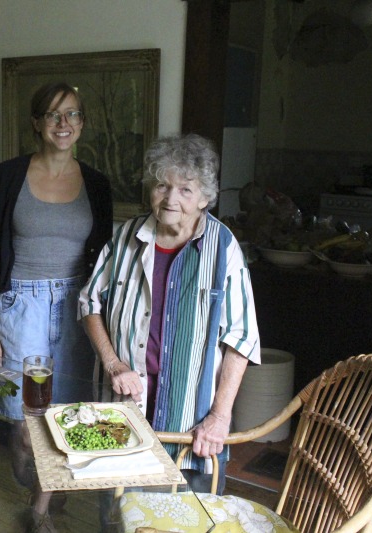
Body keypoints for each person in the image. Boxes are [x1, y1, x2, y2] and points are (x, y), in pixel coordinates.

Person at [78, 133, 260, 493]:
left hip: (191, 424)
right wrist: (113, 363)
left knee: (187, 517)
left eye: (185, 190)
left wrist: (219, 418)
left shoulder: (223, 248)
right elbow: (89, 303)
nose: (170, 198)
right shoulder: (127, 236)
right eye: (162, 185)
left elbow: (241, 338)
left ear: (205, 198)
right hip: (124, 411)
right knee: (118, 516)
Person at [0, 81, 112, 531]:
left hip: (76, 308)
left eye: (72, 114)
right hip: (21, 306)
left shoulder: (96, 183)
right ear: (36, 123)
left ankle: (41, 510)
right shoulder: (8, 175)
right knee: (22, 424)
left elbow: (104, 259)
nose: (63, 124)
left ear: (82, 124)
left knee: (64, 417)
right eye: (53, 115)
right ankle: (31, 478)